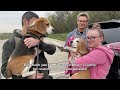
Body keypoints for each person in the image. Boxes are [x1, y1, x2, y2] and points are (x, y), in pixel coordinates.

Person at [1, 11, 56, 79]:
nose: (37, 25)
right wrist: (27, 77)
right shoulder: (10, 42)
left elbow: (53, 49)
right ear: (25, 21)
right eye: (35, 22)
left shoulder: (38, 37)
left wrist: (39, 43)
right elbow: (5, 71)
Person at [63, 12, 90, 76]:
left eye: (84, 21)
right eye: (80, 21)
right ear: (77, 22)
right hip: (74, 64)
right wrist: (70, 51)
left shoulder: (90, 33)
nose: (82, 23)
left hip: (87, 63)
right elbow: (65, 47)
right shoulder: (71, 34)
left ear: (87, 22)